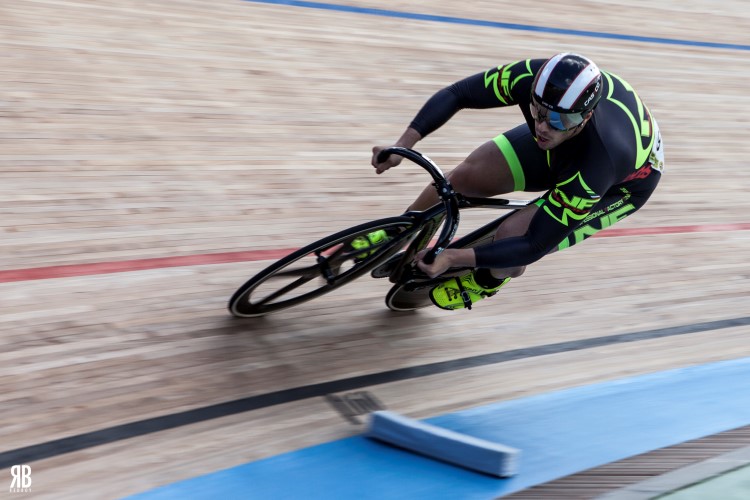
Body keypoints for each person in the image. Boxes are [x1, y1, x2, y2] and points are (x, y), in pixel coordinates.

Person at [369, 52, 664, 310]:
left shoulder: (599, 164)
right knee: (463, 177)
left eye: (558, 120)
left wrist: (453, 258)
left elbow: (534, 244)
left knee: (513, 234)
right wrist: (402, 145)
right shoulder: (531, 78)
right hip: (572, 146)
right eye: (538, 112)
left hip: (621, 185)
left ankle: (486, 281)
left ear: (584, 117)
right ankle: (398, 230)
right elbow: (458, 93)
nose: (543, 127)